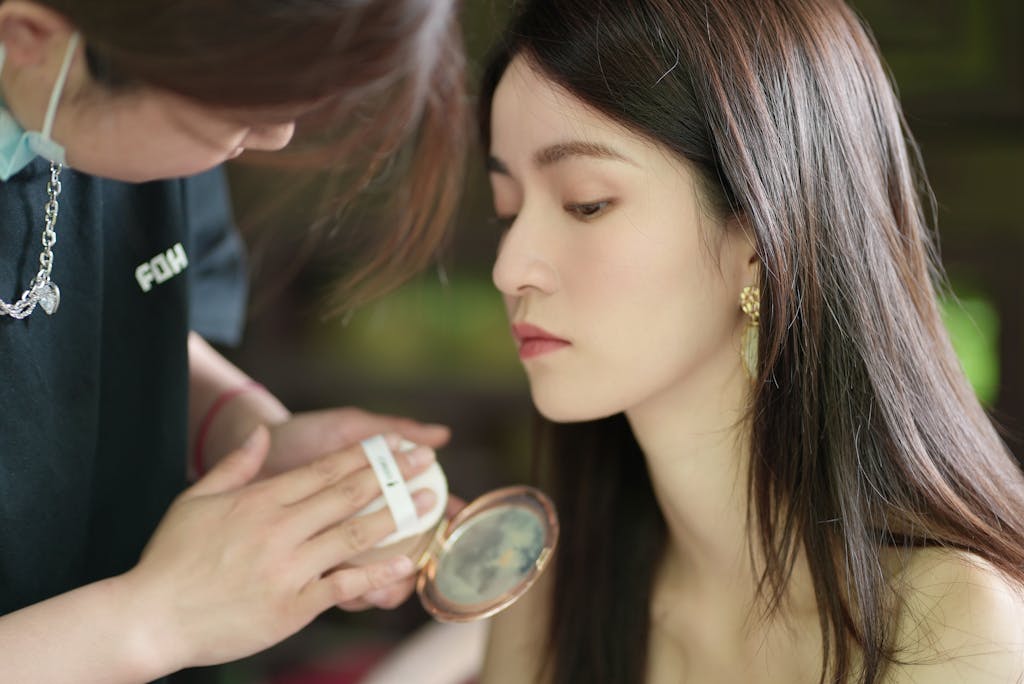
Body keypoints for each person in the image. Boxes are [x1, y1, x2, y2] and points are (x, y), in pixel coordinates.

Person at [477, 1, 1024, 682]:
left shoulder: (948, 625)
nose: (509, 268)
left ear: (761, 241)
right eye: (507, 210)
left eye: (586, 202)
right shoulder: (543, 608)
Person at [0, 0, 467, 681]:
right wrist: (157, 617)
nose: (277, 135)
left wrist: (247, 435)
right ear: (32, 39)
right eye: (236, 111)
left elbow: (106, 321)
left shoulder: (157, 89)